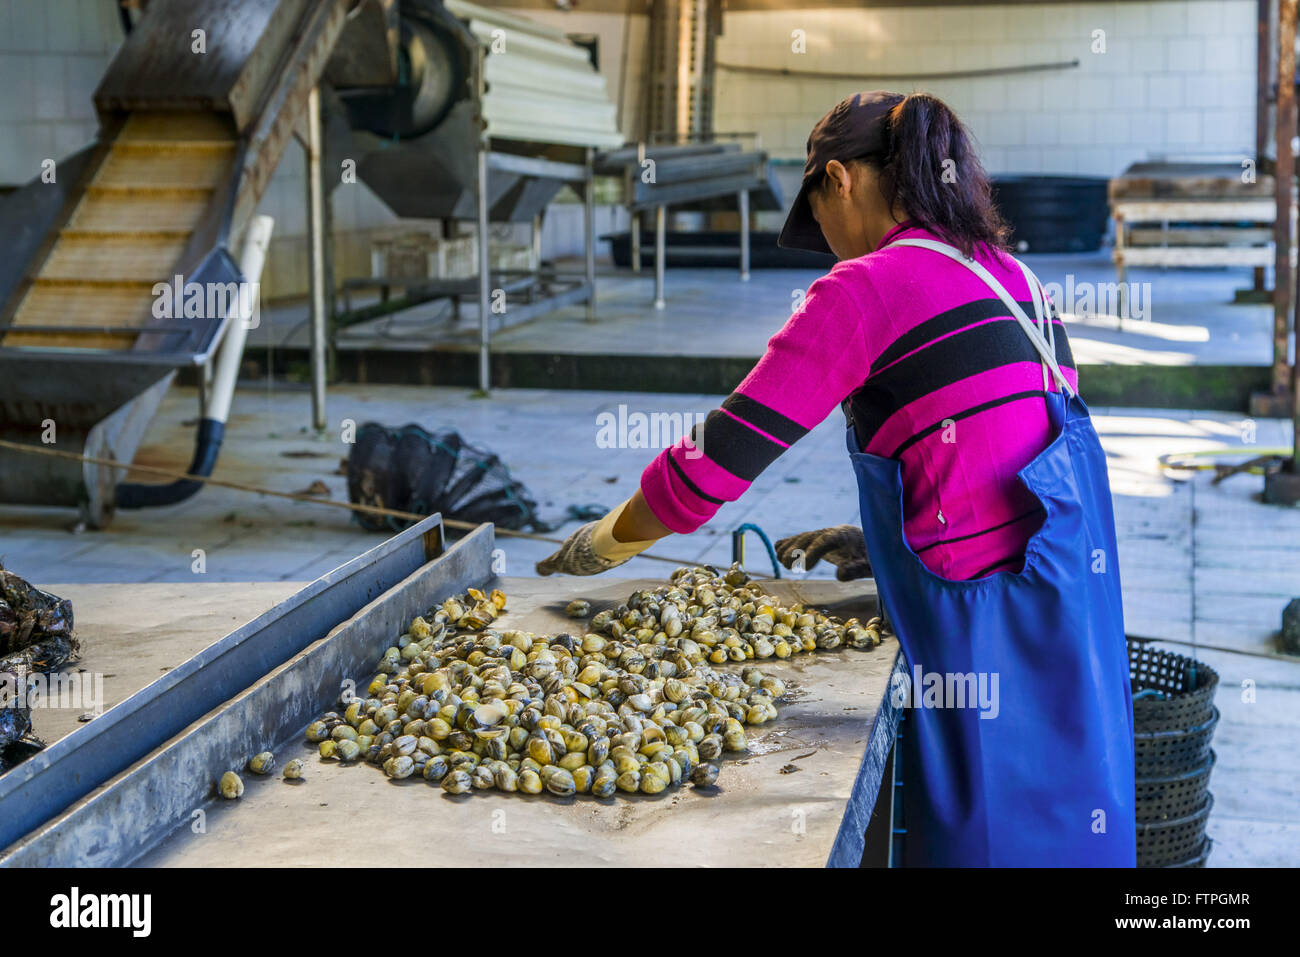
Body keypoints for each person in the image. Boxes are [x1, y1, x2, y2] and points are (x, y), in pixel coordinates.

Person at [538, 90, 1135, 867]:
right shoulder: (1014, 277)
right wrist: (889, 540)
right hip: (1070, 627)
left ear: (840, 180)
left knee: (979, 830)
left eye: (814, 213)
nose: (822, 242)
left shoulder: (867, 288)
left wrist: (603, 541)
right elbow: (1007, 452)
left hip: (974, 640)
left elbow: (713, 464)